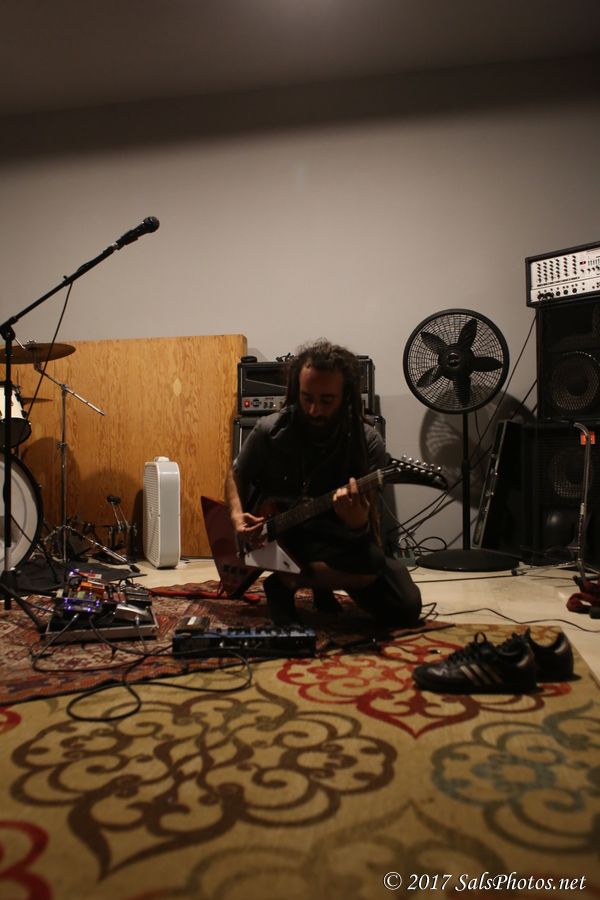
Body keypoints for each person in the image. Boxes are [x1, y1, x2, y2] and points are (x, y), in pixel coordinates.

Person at [225, 339, 422, 627]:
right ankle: (285, 587)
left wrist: (356, 522)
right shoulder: (270, 430)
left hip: (339, 539)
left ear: (346, 396)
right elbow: (236, 474)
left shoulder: (367, 442)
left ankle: (292, 580)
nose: (314, 410)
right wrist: (235, 515)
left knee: (404, 607)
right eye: (307, 398)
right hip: (286, 540)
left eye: (327, 400)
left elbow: (368, 527)